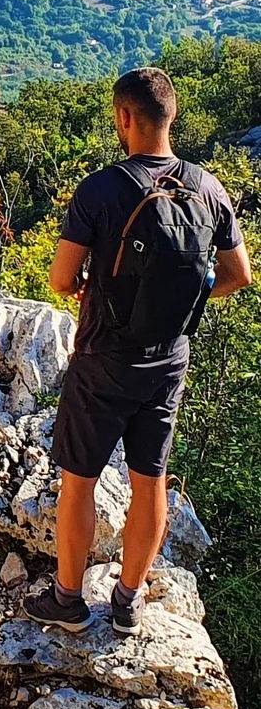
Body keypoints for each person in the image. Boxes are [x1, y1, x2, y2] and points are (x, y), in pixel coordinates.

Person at [23, 67, 252, 636]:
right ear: (171, 117)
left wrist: (93, 284)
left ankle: (69, 601)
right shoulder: (208, 188)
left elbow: (59, 278)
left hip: (104, 356)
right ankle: (127, 601)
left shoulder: (101, 189)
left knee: (79, 480)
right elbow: (238, 275)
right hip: (168, 358)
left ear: (125, 118)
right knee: (150, 479)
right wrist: (182, 295)